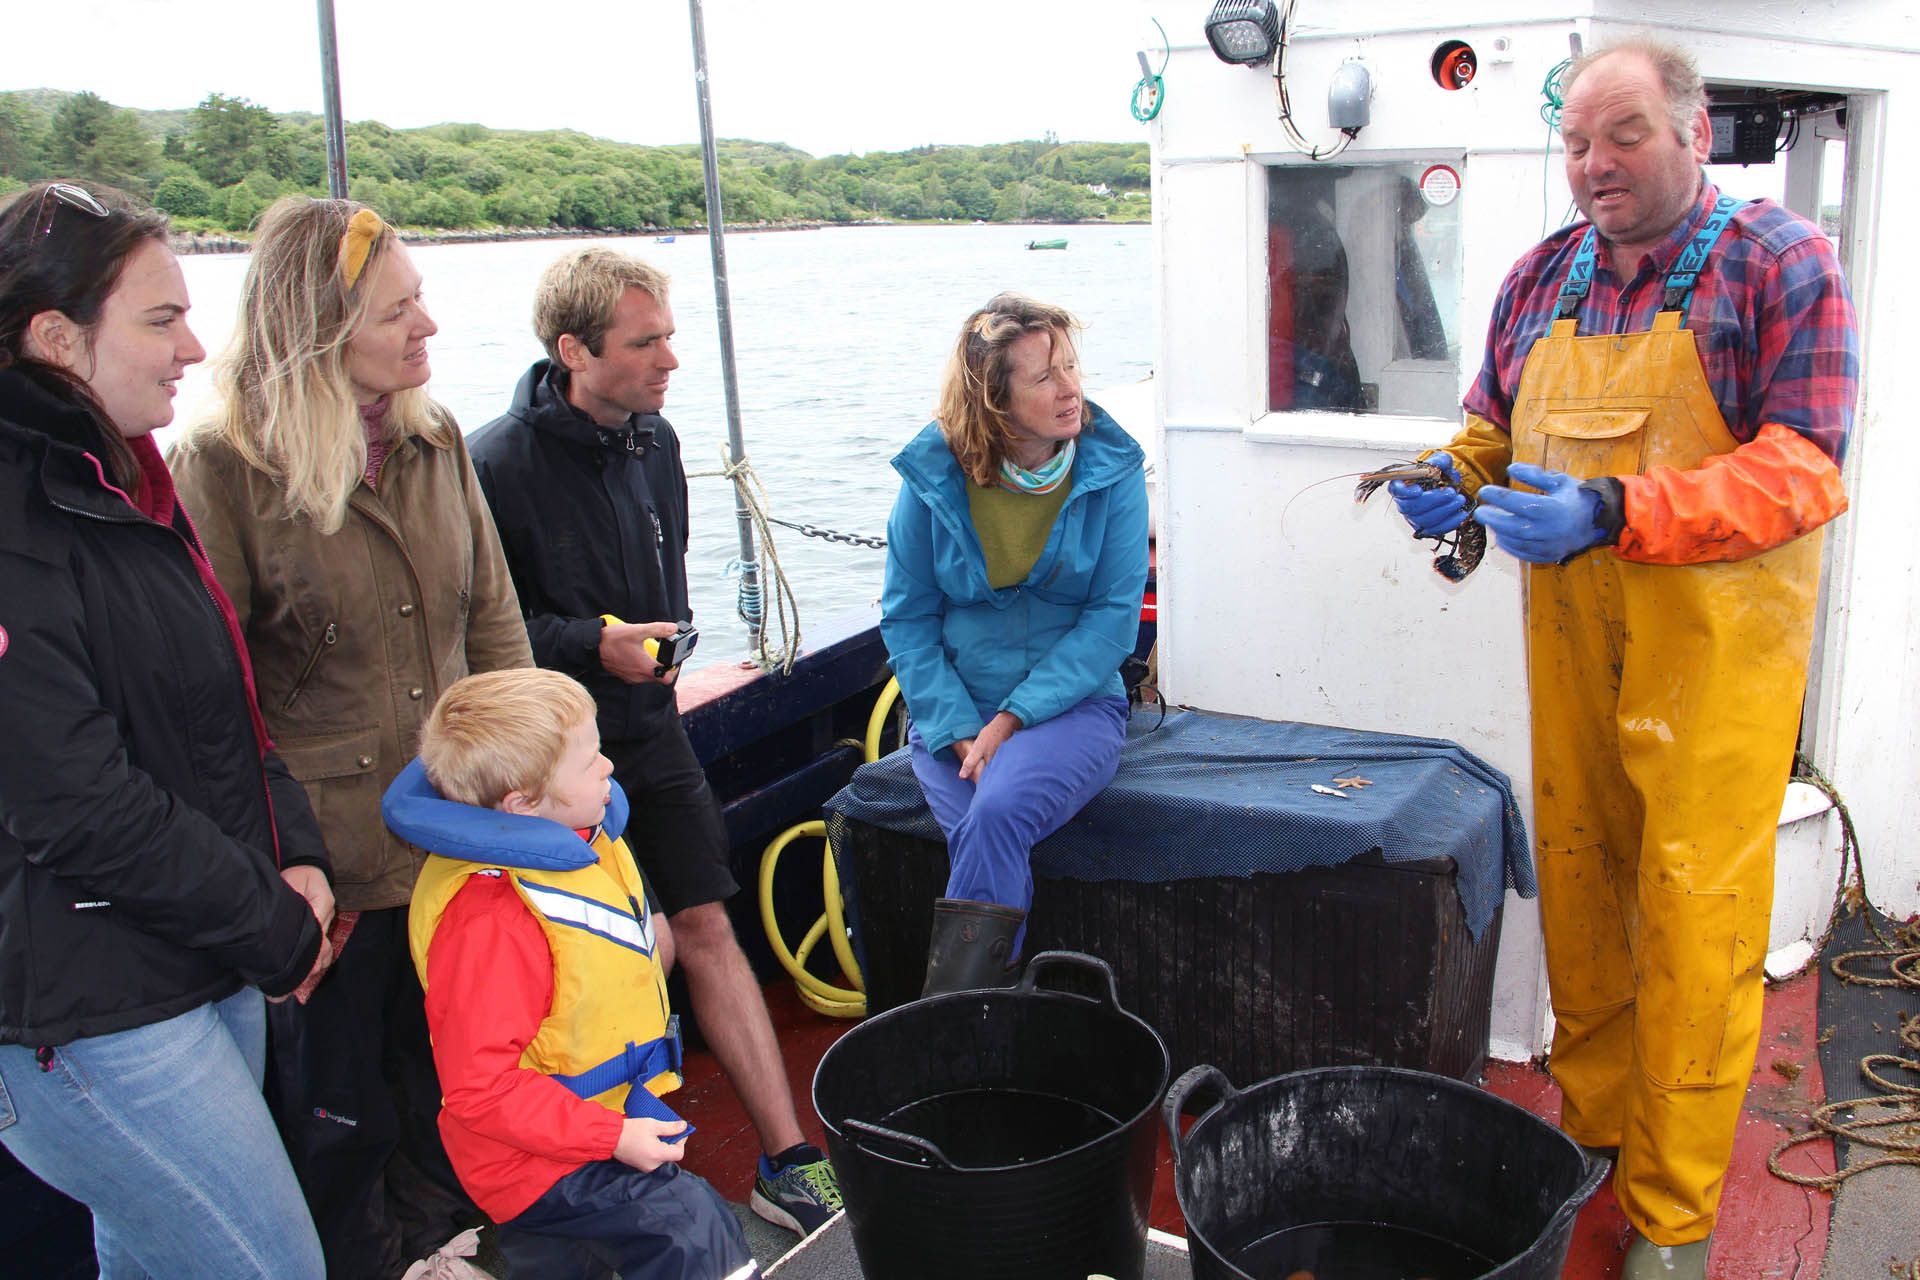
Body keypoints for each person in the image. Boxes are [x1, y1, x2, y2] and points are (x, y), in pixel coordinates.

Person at [1388, 37, 1856, 1280]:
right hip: (1574, 661)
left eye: (1625, 135)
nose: (1595, 165)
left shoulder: (1780, 261)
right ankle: (1594, 1135)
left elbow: (1804, 464)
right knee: (1589, 900)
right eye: (1579, 142)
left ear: (1696, 133)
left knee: (1695, 927)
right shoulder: (1540, 276)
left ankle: (1676, 1213)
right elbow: (1492, 428)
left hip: (1715, 672)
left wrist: (1613, 513)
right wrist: (1452, 480)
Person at [169, 196, 534, 1278]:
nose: (427, 329)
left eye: (422, 300)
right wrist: (270, 877)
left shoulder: (435, 437)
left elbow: (495, 626)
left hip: (465, 857)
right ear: (319, 332)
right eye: (397, 312)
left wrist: (546, 782)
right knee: (343, 1133)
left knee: (460, 1108)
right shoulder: (224, 468)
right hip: (331, 880)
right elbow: (209, 702)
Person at [467, 247, 841, 1239]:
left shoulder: (655, 439)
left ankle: (789, 1157)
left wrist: (655, 648)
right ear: (573, 349)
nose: (670, 357)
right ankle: (601, 1178)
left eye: (670, 335)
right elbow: (490, 633)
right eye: (646, 342)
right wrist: (593, 643)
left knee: (707, 919)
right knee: (600, 956)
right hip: (552, 766)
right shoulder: (493, 463)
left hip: (647, 729)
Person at [0, 181, 331, 1277]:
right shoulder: (21, 516)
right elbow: (69, 797)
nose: (194, 345)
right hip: (86, 1009)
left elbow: (223, 700)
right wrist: (271, 925)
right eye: (159, 318)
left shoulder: (128, 479)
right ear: (54, 338)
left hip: (193, 954)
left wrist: (297, 849)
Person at [385, 669, 760, 1280]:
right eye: (590, 761)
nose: (609, 768)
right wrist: (612, 1137)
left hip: (585, 1125)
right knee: (688, 1226)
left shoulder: (578, 835)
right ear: (523, 805)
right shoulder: (490, 921)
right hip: (534, 1159)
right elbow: (481, 1090)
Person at [881, 293, 1149, 996]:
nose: (1070, 390)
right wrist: (958, 728)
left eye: (1071, 366)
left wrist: (1011, 720)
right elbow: (907, 619)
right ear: (994, 400)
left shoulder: (1112, 471)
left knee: (994, 816)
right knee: (987, 825)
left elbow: (1112, 622)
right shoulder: (932, 477)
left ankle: (952, 1021)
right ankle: (1000, 1016)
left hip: (1072, 709)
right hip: (954, 719)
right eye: (1043, 377)